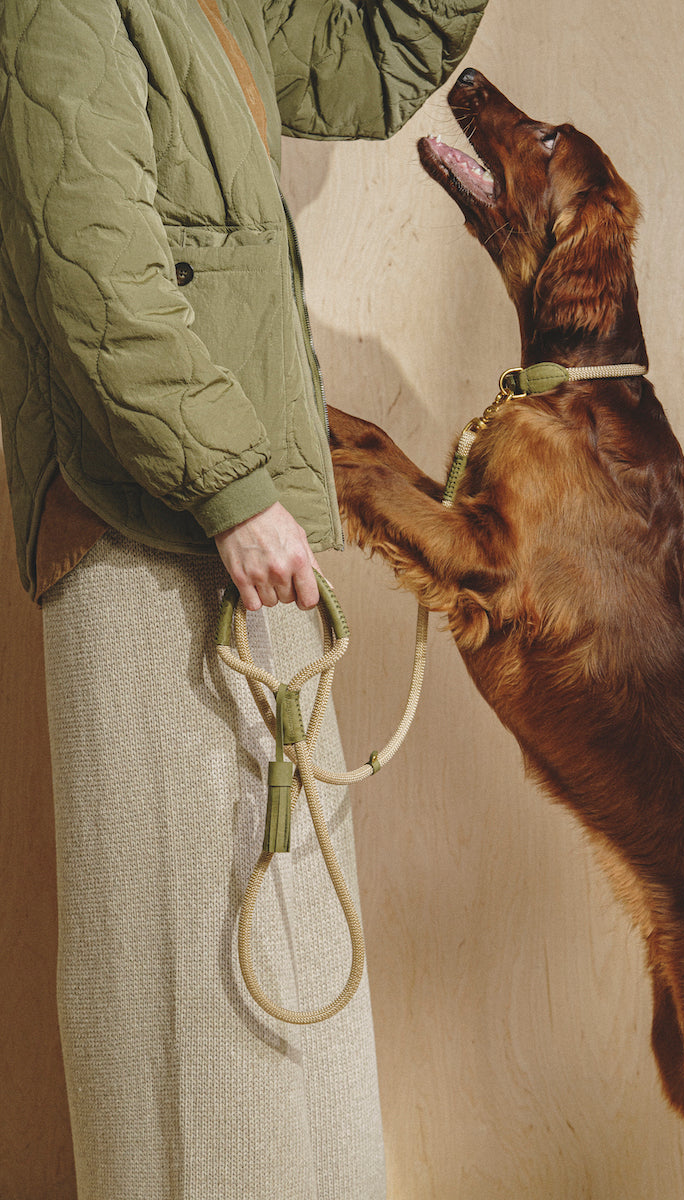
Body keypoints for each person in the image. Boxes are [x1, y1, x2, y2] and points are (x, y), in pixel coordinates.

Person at [0, 2, 488, 1197]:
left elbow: (382, 60)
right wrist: (227, 486)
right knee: (183, 989)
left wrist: (239, 494)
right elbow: (95, 279)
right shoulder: (58, 14)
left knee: (280, 964)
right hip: (148, 532)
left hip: (237, 521)